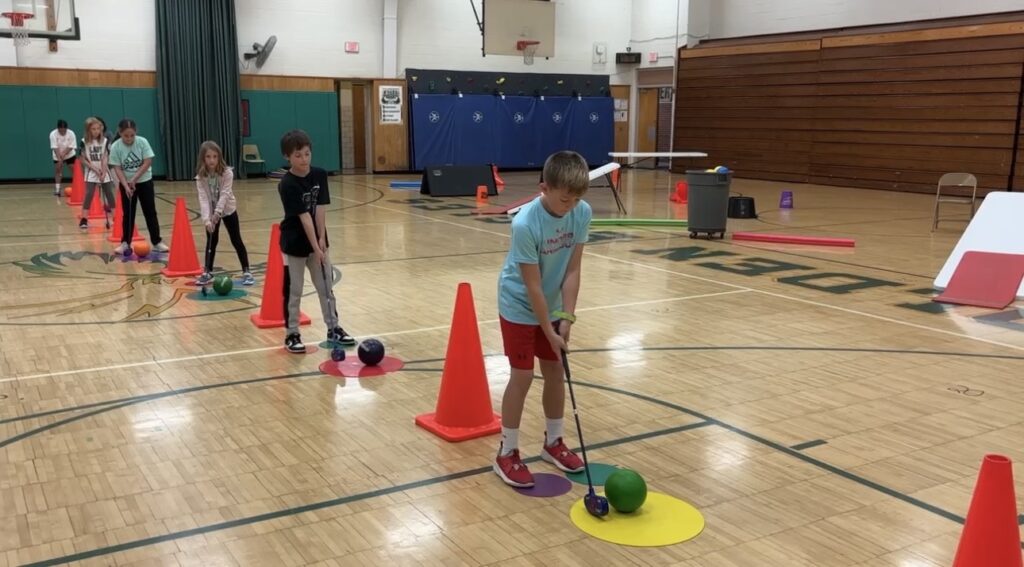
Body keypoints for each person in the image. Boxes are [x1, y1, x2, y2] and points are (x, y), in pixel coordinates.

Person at [493, 150, 593, 488]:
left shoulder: (581, 212)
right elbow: (532, 286)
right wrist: (548, 332)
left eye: (576, 199)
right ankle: (507, 452)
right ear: (544, 188)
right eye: (565, 199)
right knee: (522, 375)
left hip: (553, 305)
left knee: (554, 371)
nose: (571, 205)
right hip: (519, 304)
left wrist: (566, 316)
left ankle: (554, 443)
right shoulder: (525, 224)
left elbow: (573, 269)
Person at [276, 129, 355, 353]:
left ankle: (334, 328)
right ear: (287, 157)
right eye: (298, 155)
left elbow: (319, 209)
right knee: (295, 290)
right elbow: (304, 218)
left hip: (317, 242)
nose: (304, 159)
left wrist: (322, 239)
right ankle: (292, 334)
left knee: (326, 287)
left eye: (307, 154)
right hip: (294, 243)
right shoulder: (287, 184)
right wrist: (314, 246)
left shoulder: (319, 175)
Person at [194, 140, 255, 286]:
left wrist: (218, 212)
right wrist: (207, 220)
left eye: (215, 156)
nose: (212, 160)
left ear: (219, 157)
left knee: (236, 239)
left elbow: (225, 194)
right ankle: (207, 271)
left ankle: (247, 271)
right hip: (211, 213)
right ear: (203, 158)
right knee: (211, 240)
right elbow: (203, 199)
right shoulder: (200, 177)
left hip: (227, 209)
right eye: (208, 157)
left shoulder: (227, 173)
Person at [109, 118, 167, 254]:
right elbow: (117, 168)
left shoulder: (142, 142)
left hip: (144, 181)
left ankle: (157, 242)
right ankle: (125, 243)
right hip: (126, 184)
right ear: (120, 133)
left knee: (150, 212)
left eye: (132, 135)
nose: (129, 139)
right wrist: (125, 185)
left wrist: (134, 179)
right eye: (126, 136)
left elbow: (147, 161)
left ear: (136, 132)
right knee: (128, 214)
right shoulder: (116, 146)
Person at [79, 117, 115, 229]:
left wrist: (103, 171)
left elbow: (105, 157)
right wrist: (94, 169)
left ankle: (116, 217)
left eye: (98, 129)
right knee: (89, 193)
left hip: (103, 171)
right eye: (93, 129)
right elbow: (82, 159)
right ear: (88, 130)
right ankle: (84, 219)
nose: (96, 131)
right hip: (91, 171)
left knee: (109, 193)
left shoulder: (105, 141)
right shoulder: (84, 142)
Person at [49, 119, 76, 196]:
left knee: (74, 169)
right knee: (58, 170)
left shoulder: (71, 133)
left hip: (69, 154)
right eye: (61, 130)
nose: (63, 131)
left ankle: (77, 187)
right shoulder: (53, 134)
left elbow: (71, 146)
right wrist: (59, 159)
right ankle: (57, 189)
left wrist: (63, 155)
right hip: (57, 154)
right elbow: (54, 147)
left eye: (64, 130)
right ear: (58, 128)